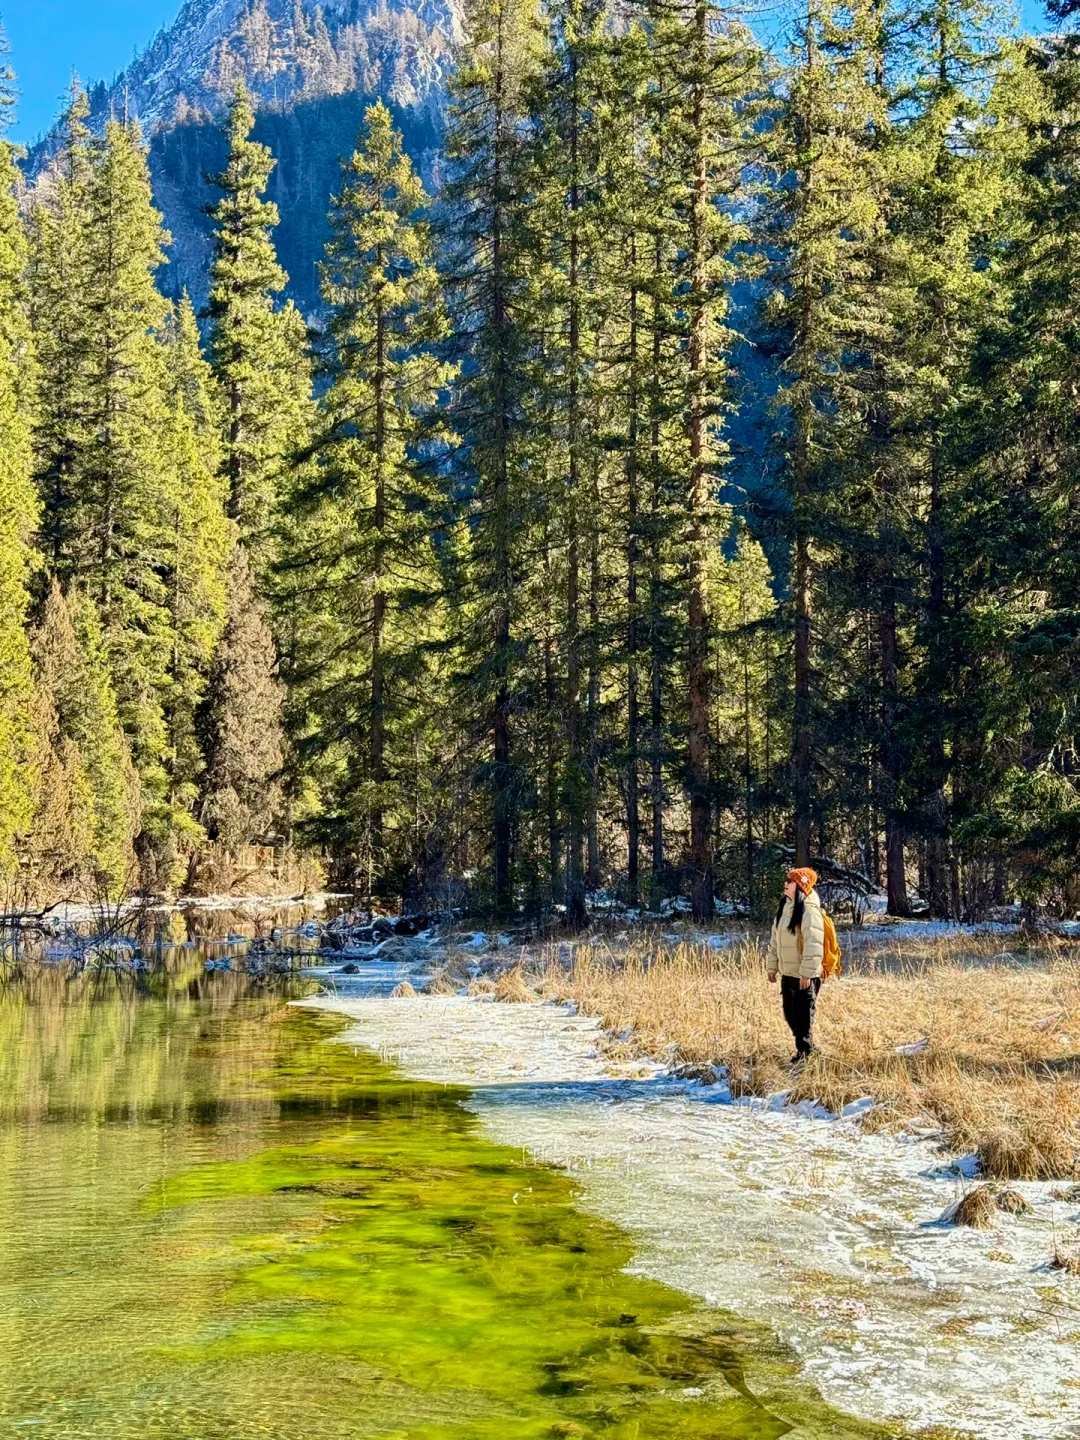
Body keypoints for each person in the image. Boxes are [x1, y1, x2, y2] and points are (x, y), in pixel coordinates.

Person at [767, 867, 824, 1064]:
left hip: (805, 975)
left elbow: (814, 945)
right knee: (790, 1015)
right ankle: (807, 1049)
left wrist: (806, 974)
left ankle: (806, 1055)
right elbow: (776, 940)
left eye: (790, 881)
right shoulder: (785, 908)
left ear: (800, 887)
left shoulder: (809, 911)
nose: (786, 884)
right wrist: (772, 967)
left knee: (803, 1015)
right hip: (788, 973)